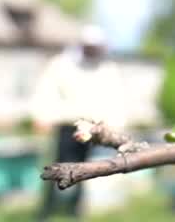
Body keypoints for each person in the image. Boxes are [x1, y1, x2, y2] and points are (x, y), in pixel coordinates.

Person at [31, 25, 125, 218]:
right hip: (67, 126)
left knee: (86, 169)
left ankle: (74, 210)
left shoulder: (108, 69)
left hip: (94, 129)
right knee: (58, 166)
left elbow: (115, 100)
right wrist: (42, 116)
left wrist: (114, 128)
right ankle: (47, 210)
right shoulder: (62, 65)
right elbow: (46, 91)